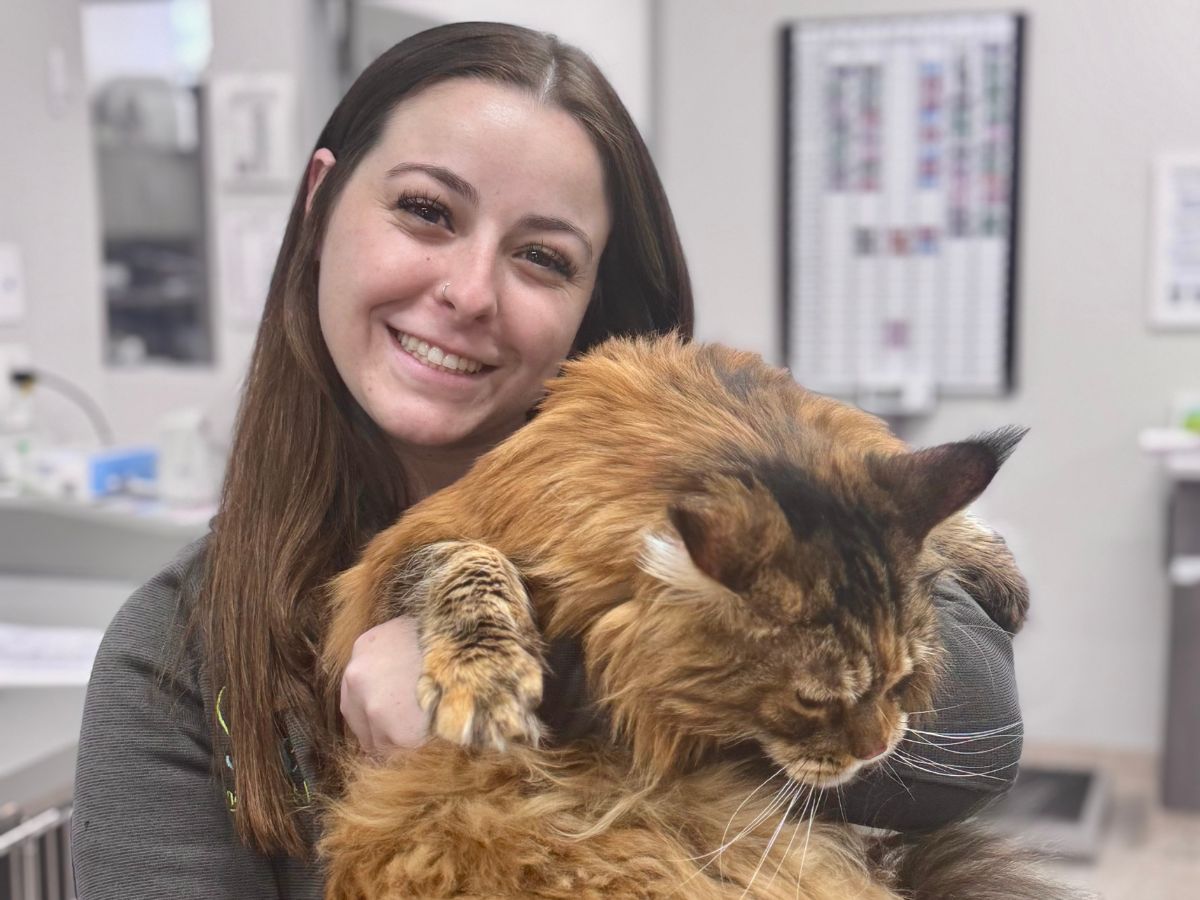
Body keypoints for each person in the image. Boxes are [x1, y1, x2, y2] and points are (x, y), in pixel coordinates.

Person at [70, 21, 1022, 900]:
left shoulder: (732, 481)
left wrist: (567, 693)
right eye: (426, 211)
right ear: (321, 202)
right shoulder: (173, 656)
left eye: (544, 258)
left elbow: (979, 742)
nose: (470, 291)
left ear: (592, 298)